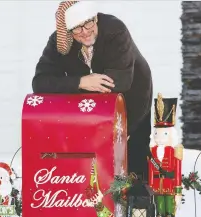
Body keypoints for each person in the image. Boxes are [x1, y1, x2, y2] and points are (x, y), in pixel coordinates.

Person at [31, 1, 153, 179]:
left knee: (135, 153)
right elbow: (39, 83)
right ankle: (89, 198)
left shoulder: (115, 31)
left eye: (88, 23)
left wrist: (72, 88)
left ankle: (139, 200)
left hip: (134, 95)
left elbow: (120, 81)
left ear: (95, 18)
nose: (85, 32)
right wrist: (80, 82)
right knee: (94, 159)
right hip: (91, 111)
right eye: (77, 29)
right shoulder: (60, 41)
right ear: (68, 31)